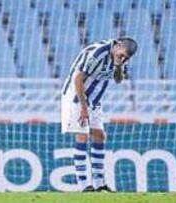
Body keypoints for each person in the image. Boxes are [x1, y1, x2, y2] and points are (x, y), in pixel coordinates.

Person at [61, 38, 137, 192]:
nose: (122, 58)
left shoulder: (122, 60)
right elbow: (78, 79)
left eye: (126, 58)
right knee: (82, 135)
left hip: (94, 100)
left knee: (100, 135)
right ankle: (84, 185)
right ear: (118, 45)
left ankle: (99, 183)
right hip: (76, 97)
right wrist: (83, 108)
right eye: (121, 55)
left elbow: (118, 80)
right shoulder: (97, 53)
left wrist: (118, 66)